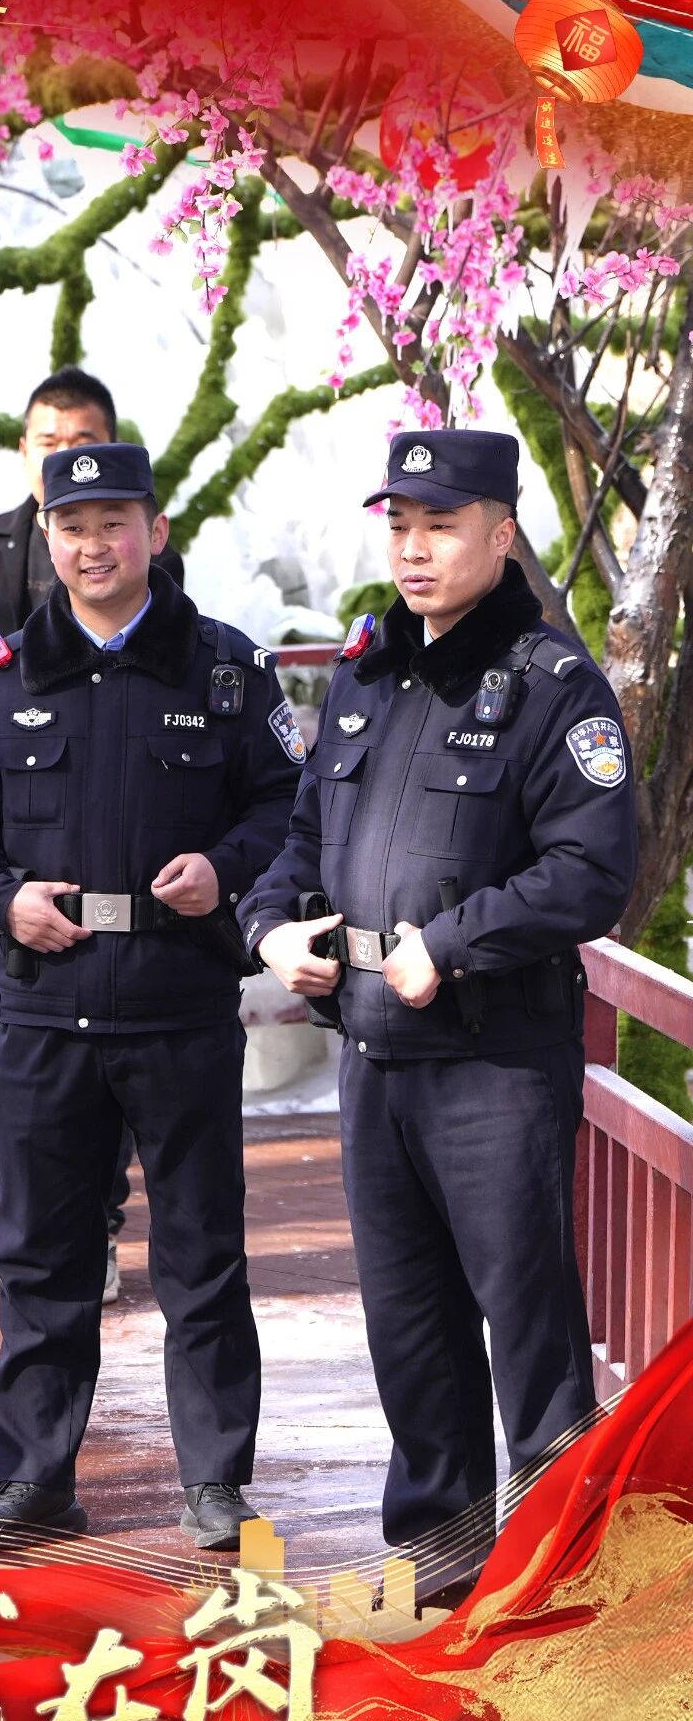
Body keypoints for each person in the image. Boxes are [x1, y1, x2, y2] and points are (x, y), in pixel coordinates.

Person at [238, 428, 639, 1608]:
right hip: (373, 1052)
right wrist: (267, 927)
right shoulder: (366, 671)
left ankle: (562, 1566)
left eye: (440, 526)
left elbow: (588, 872)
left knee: (526, 1326)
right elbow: (302, 836)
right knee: (408, 1324)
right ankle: (439, 1554)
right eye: (399, 526)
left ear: (499, 533)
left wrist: (451, 945)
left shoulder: (553, 686)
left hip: (493, 1061)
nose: (412, 550)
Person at [0, 441, 303, 1550]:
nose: (94, 546)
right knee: (39, 1253)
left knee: (200, 1254)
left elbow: (288, 809)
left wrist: (226, 870)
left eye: (115, 523)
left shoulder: (225, 672)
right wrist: (0, 899)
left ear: (155, 532)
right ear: (46, 536)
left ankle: (216, 1481)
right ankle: (35, 1478)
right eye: (73, 526)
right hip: (45, 1006)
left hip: (180, 1004)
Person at [0, 367, 186, 1302]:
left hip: (94, 856)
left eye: (83, 440)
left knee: (96, 1043)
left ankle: (91, 1226)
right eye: (48, 441)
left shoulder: (140, 560)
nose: (65, 457)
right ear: (24, 452)